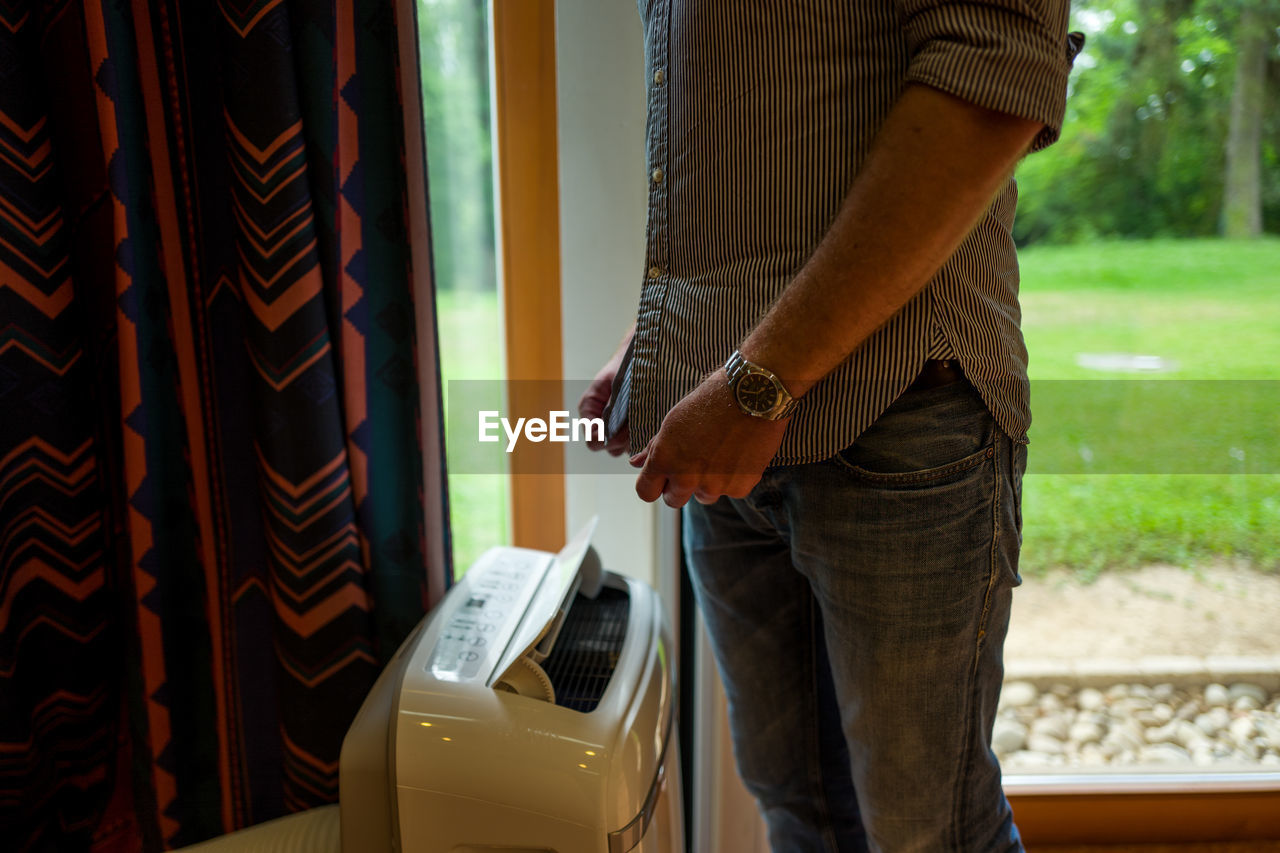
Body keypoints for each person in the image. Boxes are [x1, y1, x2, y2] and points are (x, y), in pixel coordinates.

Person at [579, 2, 1081, 850]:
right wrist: (665, 331)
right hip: (730, 425)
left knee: (931, 832)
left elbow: (994, 78)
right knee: (801, 809)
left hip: (895, 410)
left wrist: (757, 385)